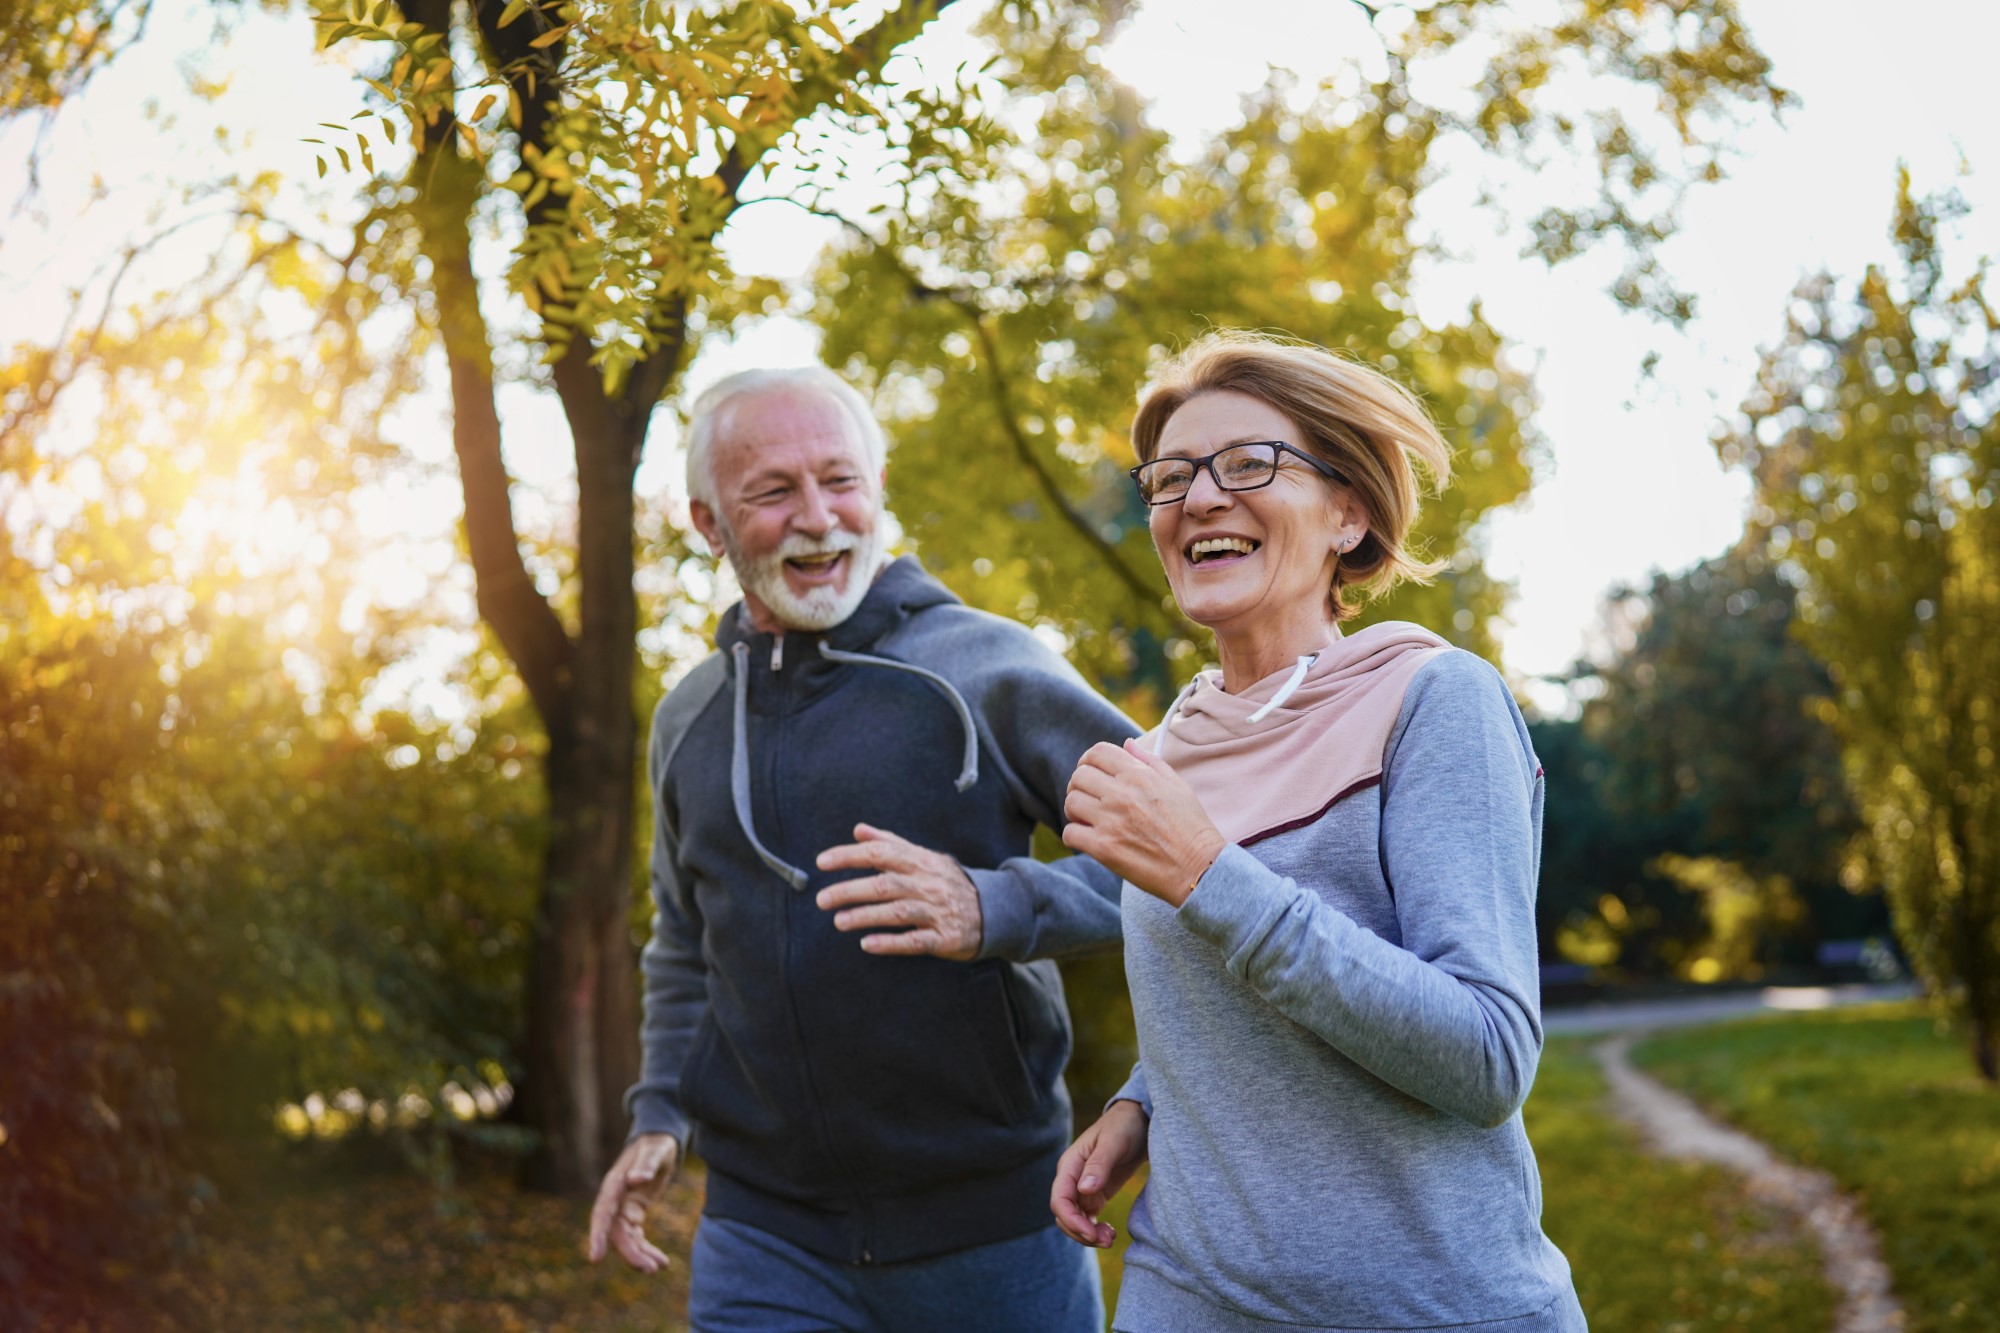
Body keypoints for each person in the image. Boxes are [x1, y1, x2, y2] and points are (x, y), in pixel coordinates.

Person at [1043, 331, 1588, 1331]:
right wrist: (1145, 1101)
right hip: (1187, 1297)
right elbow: (1225, 996)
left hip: (1431, 1307)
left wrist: (1210, 874)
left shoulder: (1432, 700)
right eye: (1169, 478)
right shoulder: (1162, 751)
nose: (1197, 498)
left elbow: (1485, 1056)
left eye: (1248, 464)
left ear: (1349, 513)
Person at [584, 365, 1136, 1333]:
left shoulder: (986, 664)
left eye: (839, 480)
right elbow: (683, 943)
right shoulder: (688, 717)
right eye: (771, 491)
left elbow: (1187, 861)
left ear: (877, 491)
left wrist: (998, 906)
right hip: (763, 1237)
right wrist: (659, 1112)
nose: (817, 516)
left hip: (991, 1230)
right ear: (708, 524)